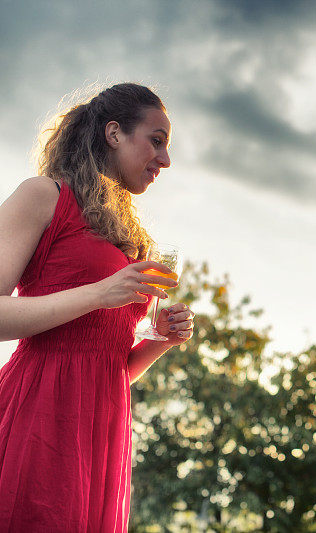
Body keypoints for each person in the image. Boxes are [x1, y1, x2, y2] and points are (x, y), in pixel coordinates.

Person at [0, 83, 195, 531]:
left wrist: (161, 338)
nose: (165, 160)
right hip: (39, 416)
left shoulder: (134, 239)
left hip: (102, 428)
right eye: (157, 140)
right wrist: (100, 293)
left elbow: (111, 365)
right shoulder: (44, 196)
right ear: (114, 133)